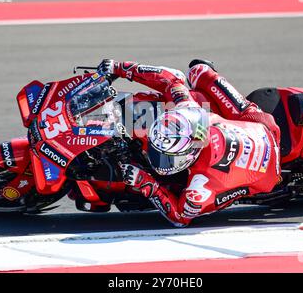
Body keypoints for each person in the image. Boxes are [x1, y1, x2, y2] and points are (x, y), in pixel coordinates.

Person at [98, 59, 282, 227]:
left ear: (190, 154)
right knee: (198, 70)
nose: (156, 157)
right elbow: (170, 78)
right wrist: (120, 68)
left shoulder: (201, 185)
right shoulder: (188, 109)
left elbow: (180, 218)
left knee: (175, 186)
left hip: (266, 160)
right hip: (253, 125)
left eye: (166, 157)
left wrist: (146, 183)